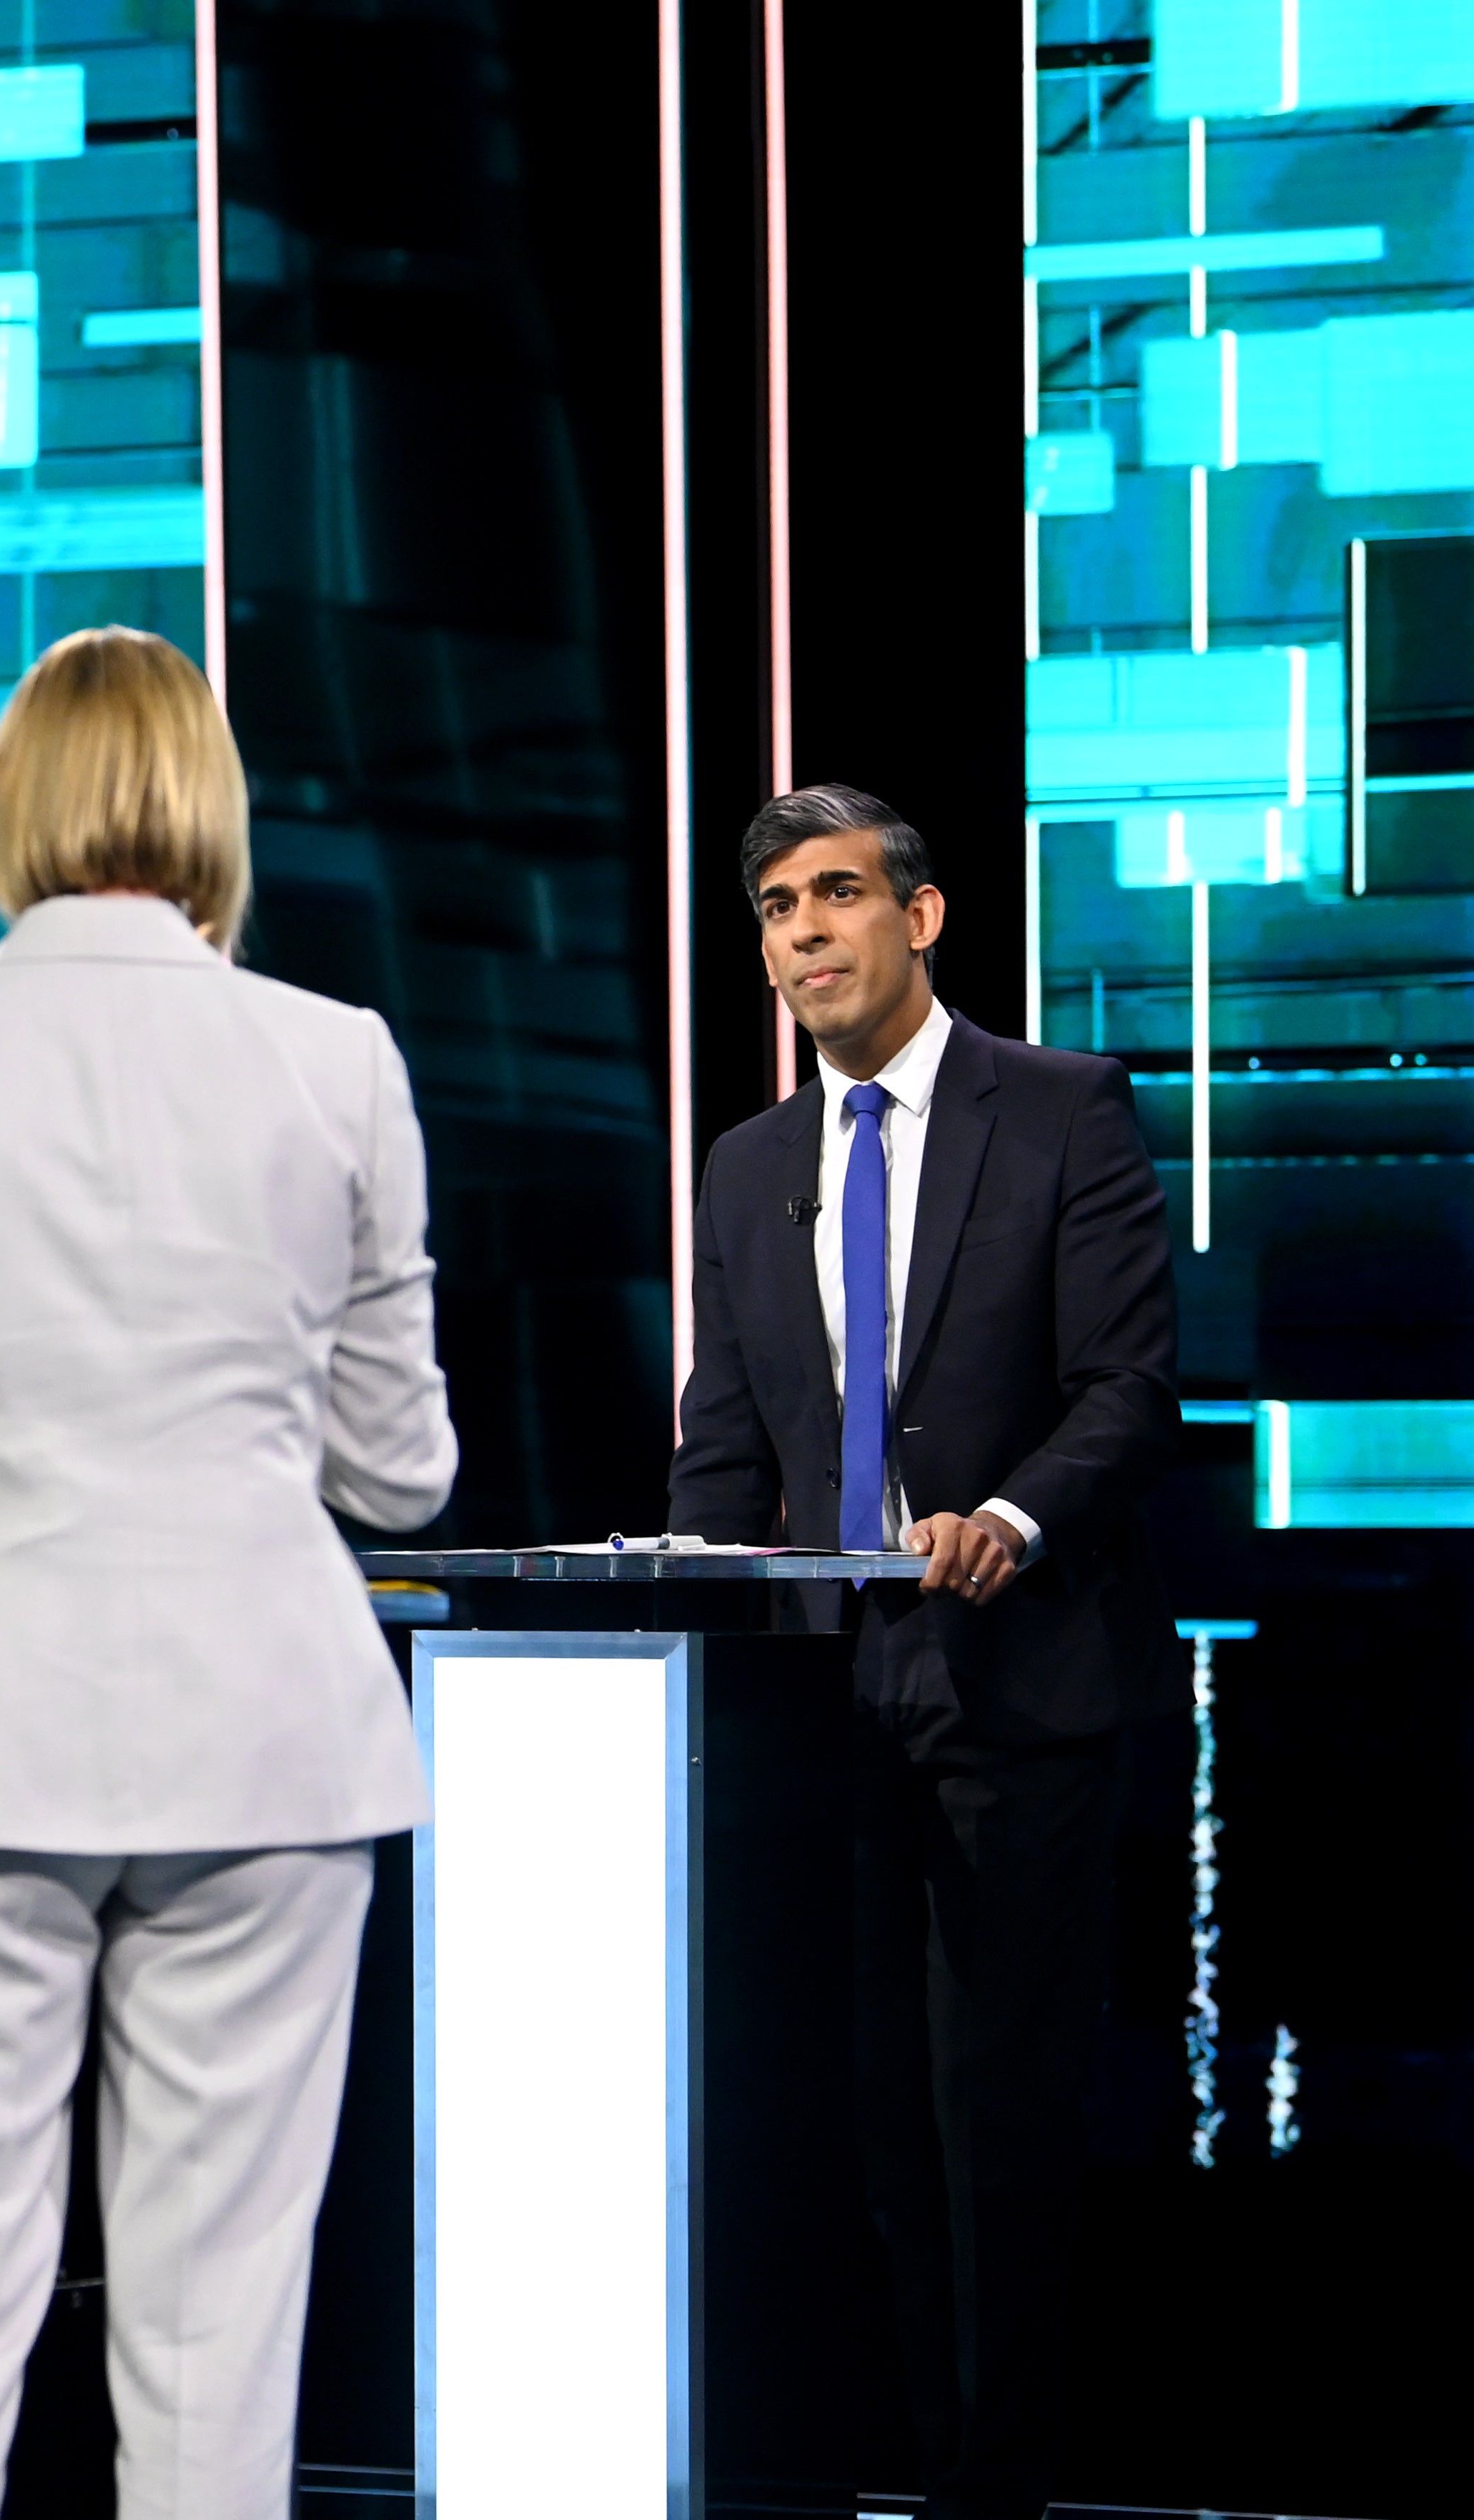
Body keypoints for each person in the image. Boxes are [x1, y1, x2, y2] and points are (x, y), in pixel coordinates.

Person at [0, 626, 455, 2520]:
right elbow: (401, 1475)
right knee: (220, 2315)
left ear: (11, 808)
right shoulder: (339, 1059)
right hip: (267, 1737)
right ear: (209, 809)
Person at [667, 784, 1177, 2520]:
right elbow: (723, 1445)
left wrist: (1011, 1521)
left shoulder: (1058, 1109)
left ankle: (997, 2486)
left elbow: (1127, 1386)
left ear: (923, 915)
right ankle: (909, 2467)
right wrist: (687, 1580)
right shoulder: (749, 1166)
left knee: (996, 2128)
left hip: (1015, 1684)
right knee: (876, 2128)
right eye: (774, 912)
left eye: (833, 897)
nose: (802, 935)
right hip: (818, 1711)